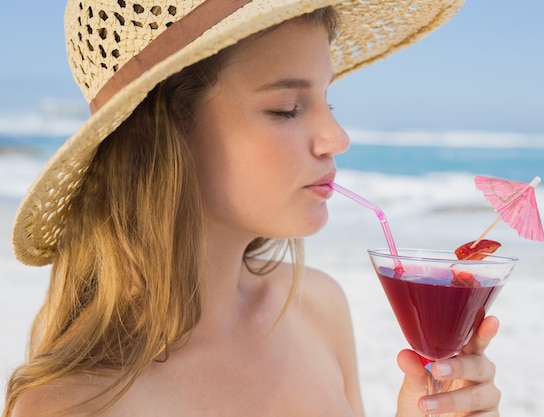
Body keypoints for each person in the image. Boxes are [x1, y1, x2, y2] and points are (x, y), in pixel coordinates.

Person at [5, 1, 502, 416]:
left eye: (329, 101)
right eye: (287, 107)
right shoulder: (74, 405)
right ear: (159, 134)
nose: (338, 138)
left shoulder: (319, 307)